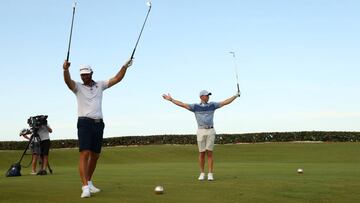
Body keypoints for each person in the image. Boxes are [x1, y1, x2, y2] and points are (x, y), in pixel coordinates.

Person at [63, 58, 133, 198]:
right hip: (84, 123)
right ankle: (84, 187)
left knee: (95, 155)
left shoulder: (100, 85)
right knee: (85, 153)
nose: (84, 76)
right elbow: (67, 81)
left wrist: (125, 66)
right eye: (82, 74)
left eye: (86, 74)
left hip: (98, 124)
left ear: (91, 73)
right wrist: (65, 70)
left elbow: (117, 78)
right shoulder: (77, 87)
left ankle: (89, 182)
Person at [162, 90, 240, 181]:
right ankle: (202, 173)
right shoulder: (195, 107)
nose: (208, 97)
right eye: (207, 95)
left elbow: (225, 102)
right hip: (200, 130)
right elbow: (182, 104)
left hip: (210, 130)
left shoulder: (212, 105)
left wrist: (235, 95)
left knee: (209, 152)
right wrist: (171, 99)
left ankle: (210, 174)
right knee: (202, 153)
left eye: (208, 95)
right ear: (201, 97)